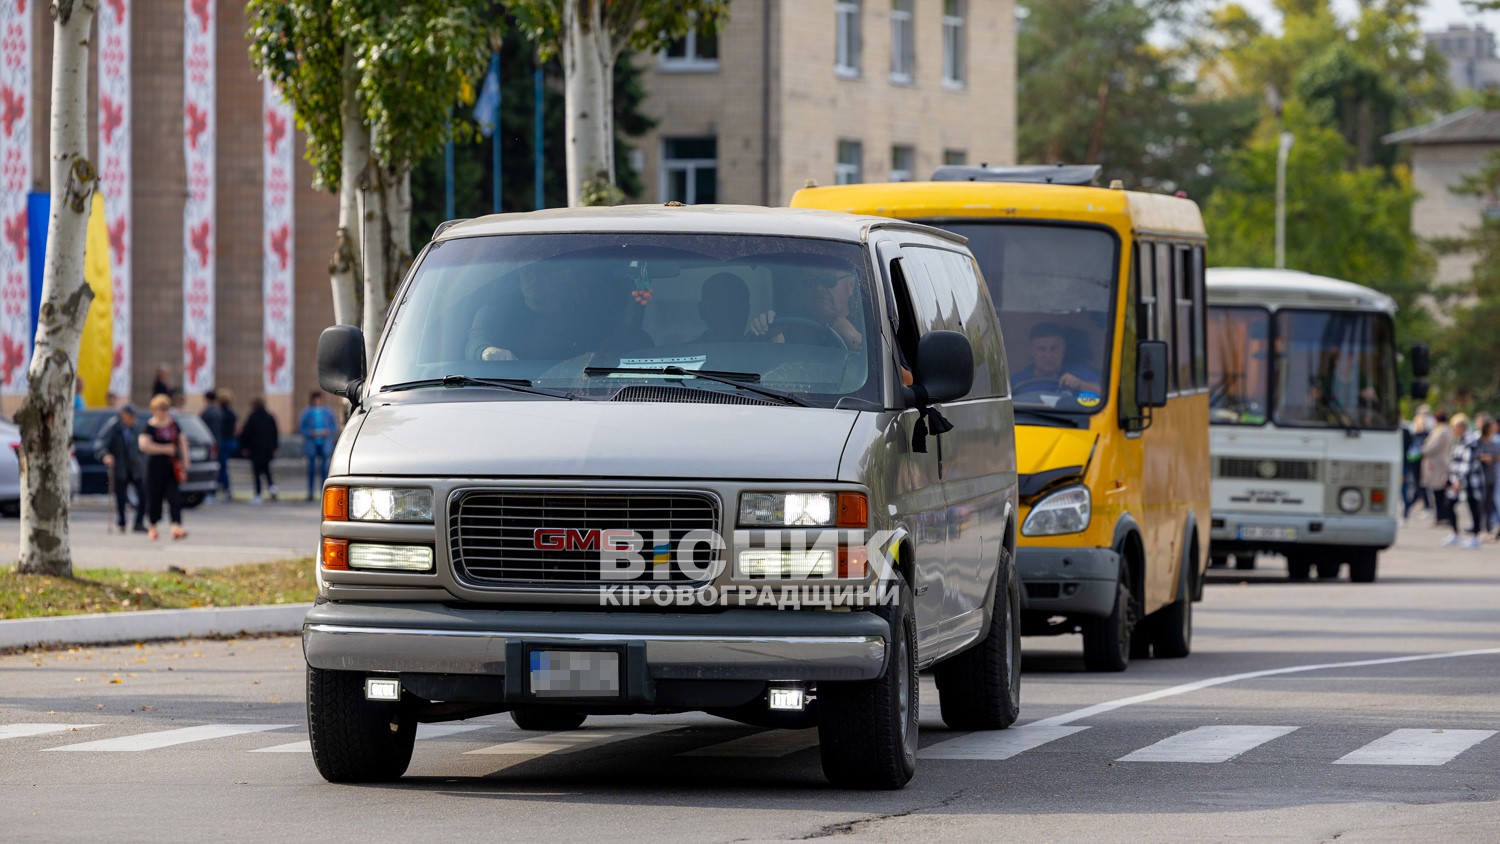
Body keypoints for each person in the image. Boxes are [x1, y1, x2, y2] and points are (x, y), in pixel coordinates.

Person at [466, 263, 597, 361]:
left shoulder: (581, 319)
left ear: (563, 276)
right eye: (527, 270)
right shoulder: (496, 313)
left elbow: (604, 358)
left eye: (542, 269)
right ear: (519, 278)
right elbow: (475, 343)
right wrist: (487, 351)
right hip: (508, 392)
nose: (533, 277)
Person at [748, 265, 864, 349]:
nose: (818, 288)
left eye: (828, 281)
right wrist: (766, 334)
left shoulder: (869, 324)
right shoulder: (788, 322)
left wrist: (856, 342)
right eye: (810, 282)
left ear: (850, 285)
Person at [137, 394, 188, 541]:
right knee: (154, 497)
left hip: (171, 467)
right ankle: (152, 527)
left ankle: (175, 526)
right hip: (153, 467)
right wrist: (165, 449)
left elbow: (182, 441)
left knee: (174, 497)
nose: (164, 412)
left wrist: (185, 461)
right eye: (161, 408)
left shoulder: (173, 425)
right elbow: (144, 445)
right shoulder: (149, 426)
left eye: (166, 408)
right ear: (154, 410)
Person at [93, 403, 146, 533]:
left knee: (144, 494)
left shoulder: (136, 427)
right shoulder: (113, 426)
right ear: (123, 415)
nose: (133, 419)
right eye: (130, 416)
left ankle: (139, 522)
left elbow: (142, 446)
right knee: (121, 497)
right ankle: (122, 522)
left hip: (135, 468)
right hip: (119, 467)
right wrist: (106, 455)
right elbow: (101, 444)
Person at [1010, 322, 1101, 394]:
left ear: (1063, 350)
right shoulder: (1018, 381)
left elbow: (1104, 395)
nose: (1048, 355)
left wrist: (1080, 384)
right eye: (1042, 349)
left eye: (1054, 349)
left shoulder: (1079, 372)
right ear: (1032, 352)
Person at [1444, 413, 1487, 549]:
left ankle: (1475, 537)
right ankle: (1456, 534)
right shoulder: (1459, 440)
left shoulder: (1470, 441)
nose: (1453, 430)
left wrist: (1458, 481)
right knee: (1449, 504)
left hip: (1469, 481)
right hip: (1458, 480)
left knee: (1473, 507)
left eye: (1455, 427)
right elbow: (1454, 461)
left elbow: (1467, 464)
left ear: (1462, 427)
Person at [238, 396, 280, 504]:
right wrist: (275, 447)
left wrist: (244, 446)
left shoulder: (252, 417)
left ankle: (258, 494)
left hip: (255, 449)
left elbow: (247, 433)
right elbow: (275, 433)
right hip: (267, 449)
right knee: (266, 469)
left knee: (256, 473)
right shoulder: (270, 417)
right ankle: (271, 487)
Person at [299, 391, 338, 500]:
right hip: (312, 444)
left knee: (324, 470)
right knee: (311, 469)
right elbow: (302, 428)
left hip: (325, 443)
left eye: (319, 399)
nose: (317, 401)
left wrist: (327, 431)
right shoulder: (307, 412)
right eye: (316, 399)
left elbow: (334, 427)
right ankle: (310, 493)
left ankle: (323, 493)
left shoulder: (328, 412)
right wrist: (311, 433)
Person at [692, 273, 751, 343]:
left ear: (746, 311)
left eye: (734, 307)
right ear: (703, 311)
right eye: (719, 307)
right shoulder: (685, 352)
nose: (727, 315)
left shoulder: (764, 349)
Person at [1422, 411, 1455, 529]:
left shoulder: (1442, 432)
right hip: (1437, 464)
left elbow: (1431, 448)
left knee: (1438, 492)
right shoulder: (1444, 431)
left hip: (1437, 464)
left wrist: (1423, 449)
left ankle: (1441, 516)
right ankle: (1441, 516)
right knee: (1438, 492)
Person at [199, 390, 223, 503]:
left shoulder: (207, 412)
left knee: (210, 468)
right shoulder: (219, 411)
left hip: (209, 443)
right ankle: (215, 492)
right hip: (218, 441)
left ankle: (210, 493)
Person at [215, 389, 238, 497]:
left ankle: (225, 488)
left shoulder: (220, 413)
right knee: (223, 465)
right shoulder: (232, 413)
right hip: (231, 441)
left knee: (222, 466)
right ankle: (223, 486)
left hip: (223, 441)